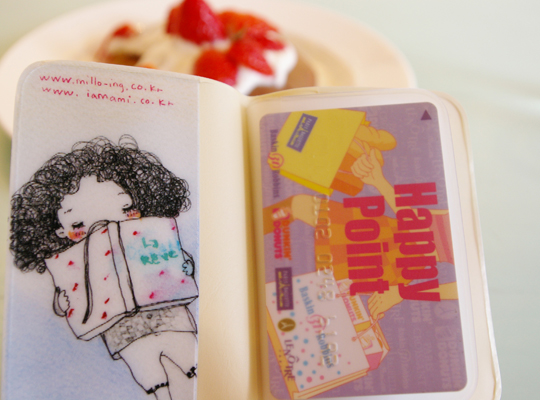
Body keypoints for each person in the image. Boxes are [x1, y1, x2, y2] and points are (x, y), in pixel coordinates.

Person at [10, 135, 197, 400]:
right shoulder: (70, 266)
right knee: (152, 378)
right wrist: (64, 303)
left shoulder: (153, 238)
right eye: (78, 225)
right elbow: (66, 299)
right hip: (124, 334)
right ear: (59, 231)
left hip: (171, 318)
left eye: (126, 208)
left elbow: (179, 261)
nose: (104, 226)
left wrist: (184, 266)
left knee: (190, 362)